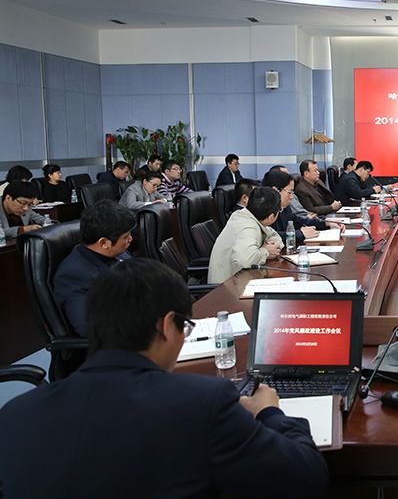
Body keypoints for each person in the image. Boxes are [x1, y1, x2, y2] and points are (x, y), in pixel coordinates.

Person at [0, 257, 329, 497]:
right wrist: (269, 412)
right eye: (185, 327)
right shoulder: (203, 403)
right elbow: (305, 477)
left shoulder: (15, 416)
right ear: (167, 325)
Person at [52, 199, 134, 335]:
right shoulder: (74, 274)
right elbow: (89, 327)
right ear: (104, 243)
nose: (130, 239)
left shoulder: (119, 253)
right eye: (126, 236)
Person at [208, 187, 284, 283]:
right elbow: (245, 260)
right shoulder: (248, 227)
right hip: (226, 287)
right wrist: (266, 252)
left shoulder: (246, 216)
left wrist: (273, 245)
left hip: (239, 279)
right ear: (271, 217)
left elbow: (274, 235)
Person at [263, 170, 341, 248]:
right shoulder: (263, 210)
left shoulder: (284, 207)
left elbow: (297, 220)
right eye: (289, 192)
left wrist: (325, 223)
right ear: (275, 190)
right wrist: (300, 233)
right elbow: (269, 236)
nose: (291, 197)